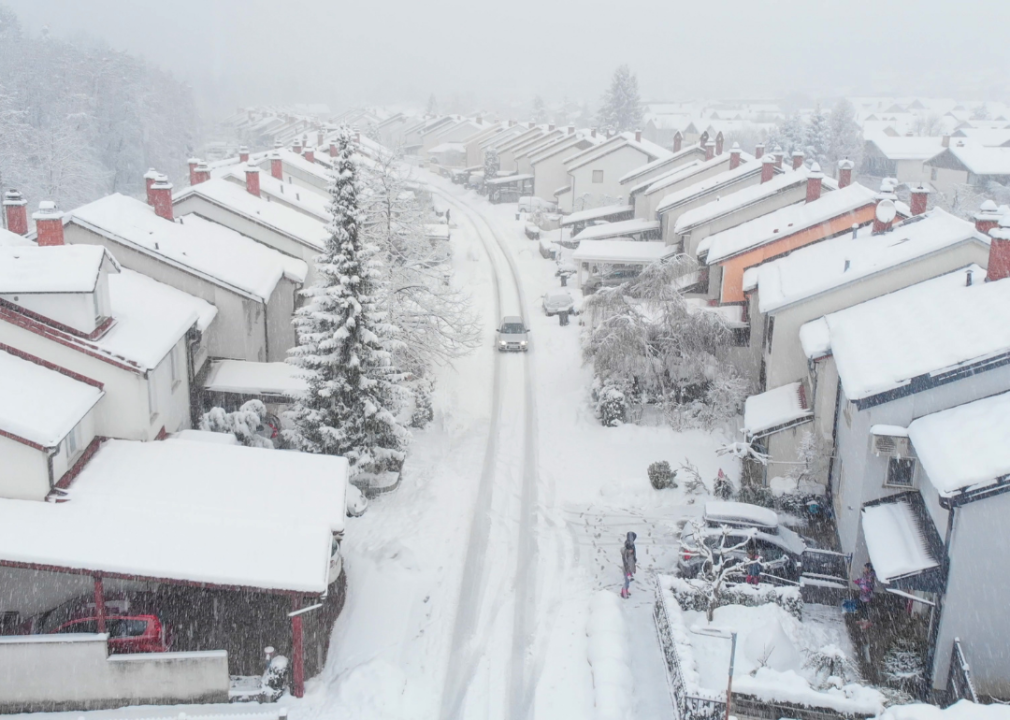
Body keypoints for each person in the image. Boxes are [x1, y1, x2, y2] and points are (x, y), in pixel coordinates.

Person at [620, 532, 637, 598]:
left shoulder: (631, 554)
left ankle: (625, 591)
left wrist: (633, 569)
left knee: (628, 581)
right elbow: (626, 562)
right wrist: (628, 570)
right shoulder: (626, 553)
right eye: (631, 549)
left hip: (629, 568)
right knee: (626, 581)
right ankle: (624, 594)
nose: (632, 551)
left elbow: (632, 561)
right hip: (627, 569)